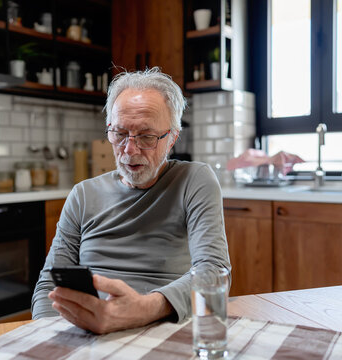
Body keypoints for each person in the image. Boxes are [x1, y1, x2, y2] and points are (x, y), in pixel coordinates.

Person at [31, 67, 231, 334]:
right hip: (87, 336)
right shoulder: (82, 195)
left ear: (172, 137)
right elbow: (49, 287)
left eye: (146, 136)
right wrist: (46, 339)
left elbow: (215, 272)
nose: (129, 149)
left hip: (165, 328)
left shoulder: (194, 180)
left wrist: (145, 308)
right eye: (120, 133)